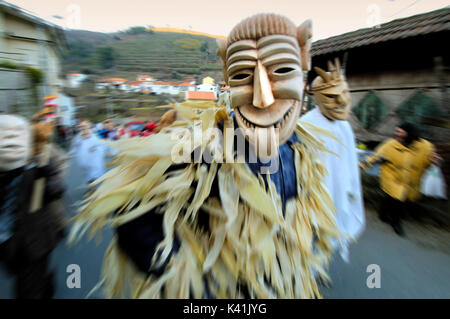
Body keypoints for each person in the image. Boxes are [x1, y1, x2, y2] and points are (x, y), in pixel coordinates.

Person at [70, 13, 341, 299]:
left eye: (283, 70)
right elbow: (130, 213)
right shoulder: (206, 147)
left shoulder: (302, 149)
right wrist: (190, 282)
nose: (263, 98)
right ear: (228, 80)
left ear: (304, 70)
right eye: (242, 76)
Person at [301, 59, 365, 263]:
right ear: (318, 99)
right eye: (331, 96)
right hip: (314, 196)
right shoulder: (305, 125)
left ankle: (319, 266)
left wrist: (351, 186)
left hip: (339, 191)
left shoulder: (344, 126)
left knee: (330, 235)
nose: (342, 101)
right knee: (310, 237)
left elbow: (347, 156)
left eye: (345, 92)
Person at [0, 114, 65, 298]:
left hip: (34, 239)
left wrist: (45, 177)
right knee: (20, 275)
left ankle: (42, 284)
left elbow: (57, 191)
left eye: (16, 134)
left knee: (27, 289)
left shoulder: (40, 163)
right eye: (3, 134)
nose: (10, 139)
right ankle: (46, 281)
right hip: (6, 241)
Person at [360, 122, 441, 236]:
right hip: (392, 177)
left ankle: (382, 213)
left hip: (412, 181)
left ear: (408, 133)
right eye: (397, 131)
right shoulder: (390, 145)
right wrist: (363, 164)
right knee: (397, 199)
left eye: (400, 131)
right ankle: (395, 222)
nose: (396, 133)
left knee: (392, 198)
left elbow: (428, 162)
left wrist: (434, 161)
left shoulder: (425, 146)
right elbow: (375, 157)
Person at [68, 120, 107, 185]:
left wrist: (95, 148)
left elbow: (101, 145)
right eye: (82, 128)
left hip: (94, 160)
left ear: (89, 127)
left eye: (86, 127)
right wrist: (70, 153)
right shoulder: (78, 137)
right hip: (84, 160)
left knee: (93, 174)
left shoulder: (94, 136)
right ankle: (90, 187)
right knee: (87, 175)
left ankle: (92, 188)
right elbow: (75, 146)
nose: (84, 130)